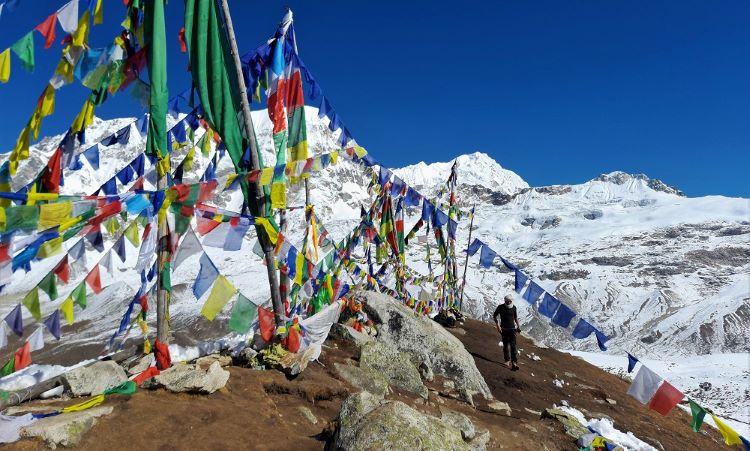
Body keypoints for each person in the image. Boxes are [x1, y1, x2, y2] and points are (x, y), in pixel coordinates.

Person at [493, 294, 521, 370]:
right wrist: (498, 325)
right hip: (504, 329)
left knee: (513, 346)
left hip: (512, 329)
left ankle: (514, 363)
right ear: (505, 301)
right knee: (506, 345)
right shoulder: (500, 307)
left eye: (510, 301)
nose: (508, 302)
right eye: (507, 301)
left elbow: (515, 318)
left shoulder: (514, 308)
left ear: (511, 301)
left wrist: (518, 326)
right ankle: (507, 360)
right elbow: (495, 316)